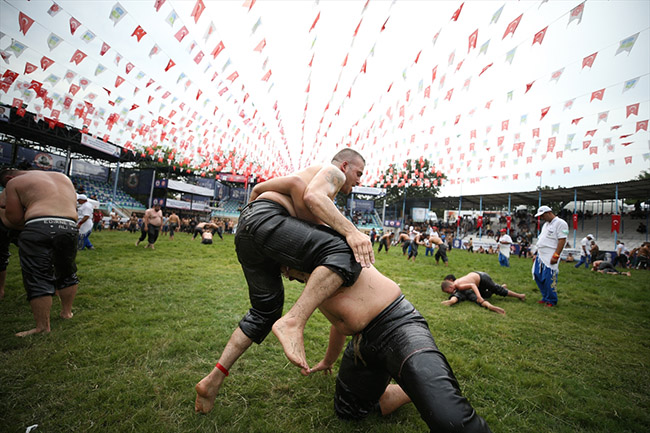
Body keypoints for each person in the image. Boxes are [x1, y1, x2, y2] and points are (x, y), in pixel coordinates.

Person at [196, 189, 492, 432]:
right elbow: (339, 324)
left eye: (285, 266)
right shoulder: (317, 284)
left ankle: (421, 387)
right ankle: (404, 391)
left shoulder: (333, 252)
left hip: (399, 328)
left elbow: (311, 196)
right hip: (362, 346)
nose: (285, 274)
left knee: (448, 418)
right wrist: (327, 361)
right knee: (348, 413)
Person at [227, 148, 373, 371]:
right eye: (359, 173)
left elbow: (259, 188)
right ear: (345, 166)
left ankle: (214, 378)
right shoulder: (335, 173)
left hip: (249, 229)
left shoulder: (312, 180)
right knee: (346, 249)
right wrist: (352, 232)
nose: (358, 180)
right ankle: (293, 322)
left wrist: (249, 217)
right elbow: (308, 193)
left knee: (265, 312)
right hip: (266, 218)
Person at [0, 168, 79, 337]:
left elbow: (13, 218)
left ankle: (42, 327)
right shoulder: (62, 177)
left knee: (37, 275)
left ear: (9, 178)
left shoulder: (14, 183)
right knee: (67, 271)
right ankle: (67, 312)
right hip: (70, 226)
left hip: (38, 224)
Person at [440, 272, 526, 315]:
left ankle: (520, 296)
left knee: (498, 290)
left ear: (451, 287)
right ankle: (501, 287)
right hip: (476, 278)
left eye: (448, 292)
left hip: (482, 277)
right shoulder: (456, 282)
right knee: (487, 293)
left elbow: (472, 285)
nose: (449, 293)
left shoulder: (458, 285)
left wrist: (479, 297)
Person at [532, 205, 568, 307]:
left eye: (543, 215)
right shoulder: (545, 225)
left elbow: (562, 240)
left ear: (548, 213)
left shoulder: (561, 223)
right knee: (537, 275)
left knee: (549, 277)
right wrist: (536, 254)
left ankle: (551, 299)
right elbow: (541, 240)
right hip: (541, 254)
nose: (542, 218)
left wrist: (556, 255)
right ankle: (545, 296)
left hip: (550, 254)